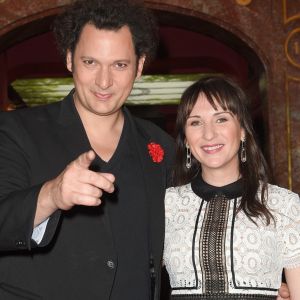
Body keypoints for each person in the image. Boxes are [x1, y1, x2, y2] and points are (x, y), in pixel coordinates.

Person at [0, 0, 175, 299]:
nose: (104, 81)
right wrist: (52, 195)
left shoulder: (162, 146)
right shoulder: (16, 130)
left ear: (140, 66)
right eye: (90, 62)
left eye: (119, 65)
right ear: (69, 59)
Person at [163, 75, 300, 299]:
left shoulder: (283, 205)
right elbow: (132, 274)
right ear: (186, 139)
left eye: (221, 119)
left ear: (243, 130)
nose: (209, 134)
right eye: (195, 122)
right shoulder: (166, 205)